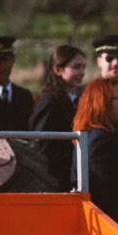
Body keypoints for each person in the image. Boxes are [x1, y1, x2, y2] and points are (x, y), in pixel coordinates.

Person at [71, 77, 118, 235]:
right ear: (102, 101)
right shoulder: (100, 140)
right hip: (115, 232)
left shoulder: (102, 135)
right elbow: (111, 197)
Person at [31, 45, 86, 191]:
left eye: (83, 67)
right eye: (76, 67)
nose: (82, 72)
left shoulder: (79, 98)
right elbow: (41, 150)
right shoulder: (50, 102)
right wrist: (79, 156)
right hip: (58, 182)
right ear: (57, 69)